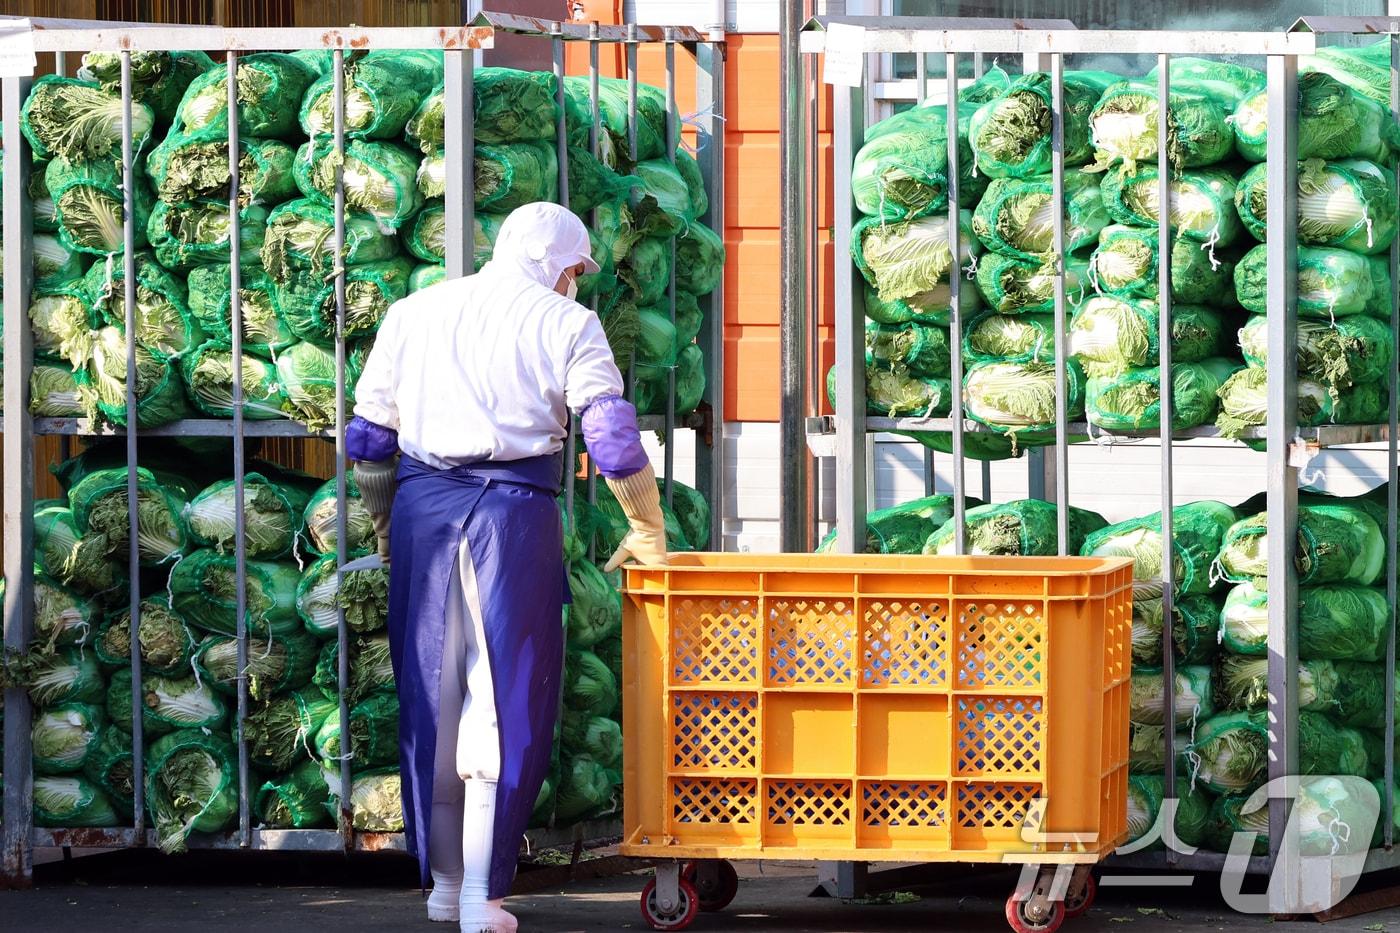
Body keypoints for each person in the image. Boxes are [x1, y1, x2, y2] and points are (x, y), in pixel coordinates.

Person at [345, 202, 669, 933]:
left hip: (422, 509)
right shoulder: (566, 324)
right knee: (504, 701)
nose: (576, 284)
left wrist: (384, 526)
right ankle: (478, 896)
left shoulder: (415, 310)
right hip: (513, 513)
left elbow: (368, 437)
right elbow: (609, 431)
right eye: (576, 270)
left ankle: (443, 881)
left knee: (430, 693)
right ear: (556, 264)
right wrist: (645, 522)